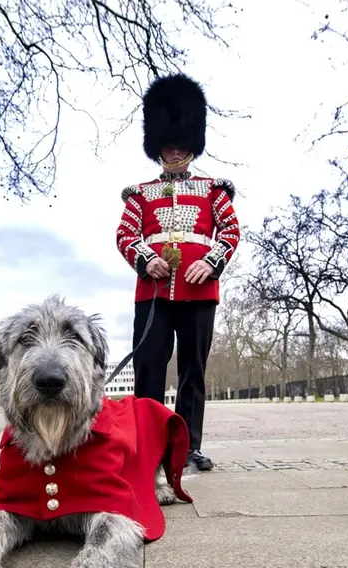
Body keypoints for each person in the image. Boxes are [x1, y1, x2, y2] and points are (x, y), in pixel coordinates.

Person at [115, 72, 241, 472]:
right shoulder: (140, 193)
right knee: (148, 368)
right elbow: (124, 233)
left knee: (193, 372)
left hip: (199, 292)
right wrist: (143, 258)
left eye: (180, 144)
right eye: (167, 145)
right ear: (158, 147)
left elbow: (231, 231)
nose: (173, 151)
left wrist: (211, 261)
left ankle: (188, 447)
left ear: (192, 144)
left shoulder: (213, 190)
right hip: (152, 293)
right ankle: (147, 448)